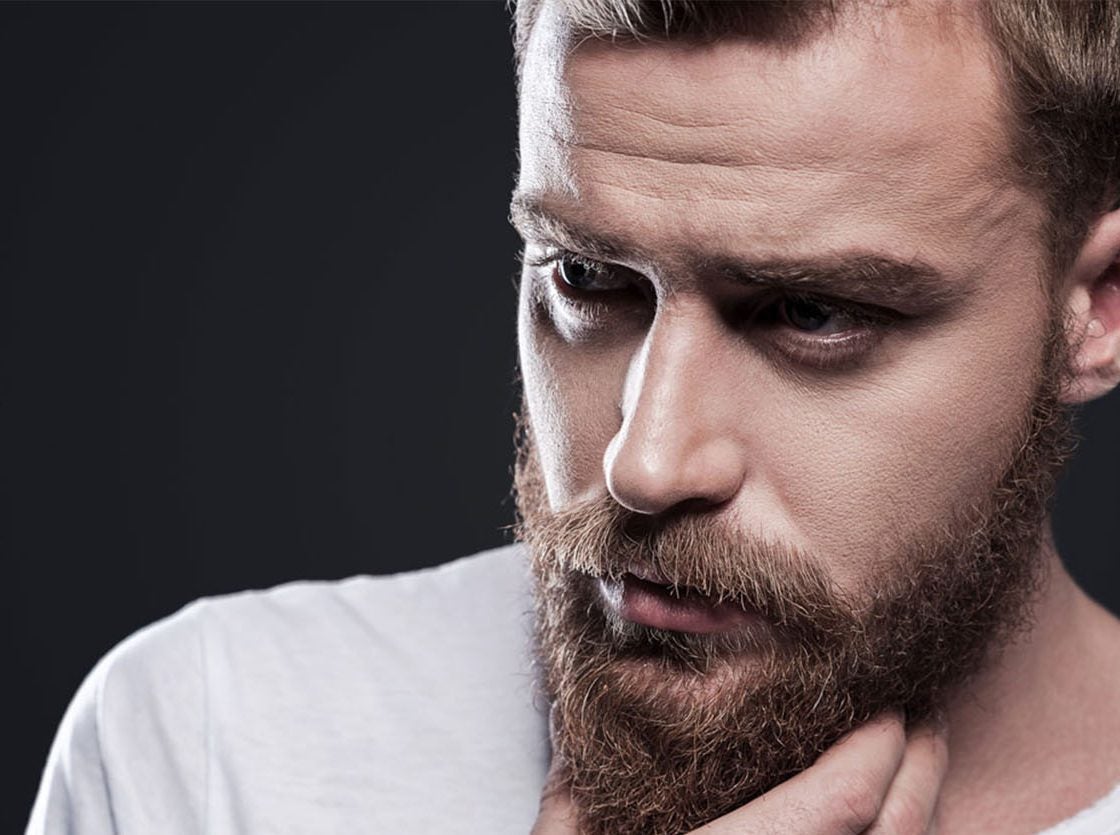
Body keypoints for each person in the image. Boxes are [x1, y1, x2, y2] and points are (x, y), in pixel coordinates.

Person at [27, 1, 1120, 833]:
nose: (646, 464)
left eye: (813, 312)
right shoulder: (208, 745)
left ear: (1097, 311)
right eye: (587, 277)